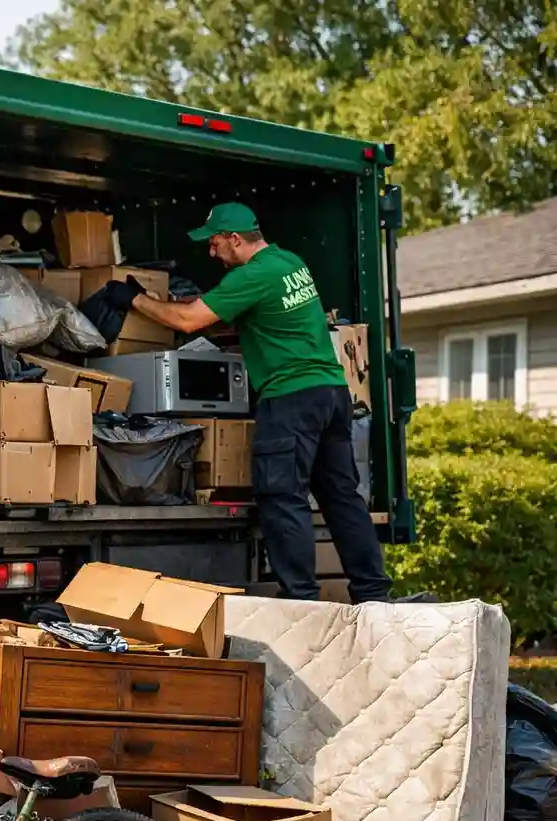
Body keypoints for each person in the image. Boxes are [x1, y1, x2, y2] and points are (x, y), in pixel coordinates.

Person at [101, 201, 393, 604]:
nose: (211, 252)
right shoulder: (288, 263)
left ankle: (301, 603)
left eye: (215, 243)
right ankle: (373, 595)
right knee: (342, 496)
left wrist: (133, 300)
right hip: (331, 392)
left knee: (282, 496)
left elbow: (189, 323)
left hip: (290, 398)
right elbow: (220, 316)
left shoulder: (252, 276)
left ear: (236, 240)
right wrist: (164, 300)